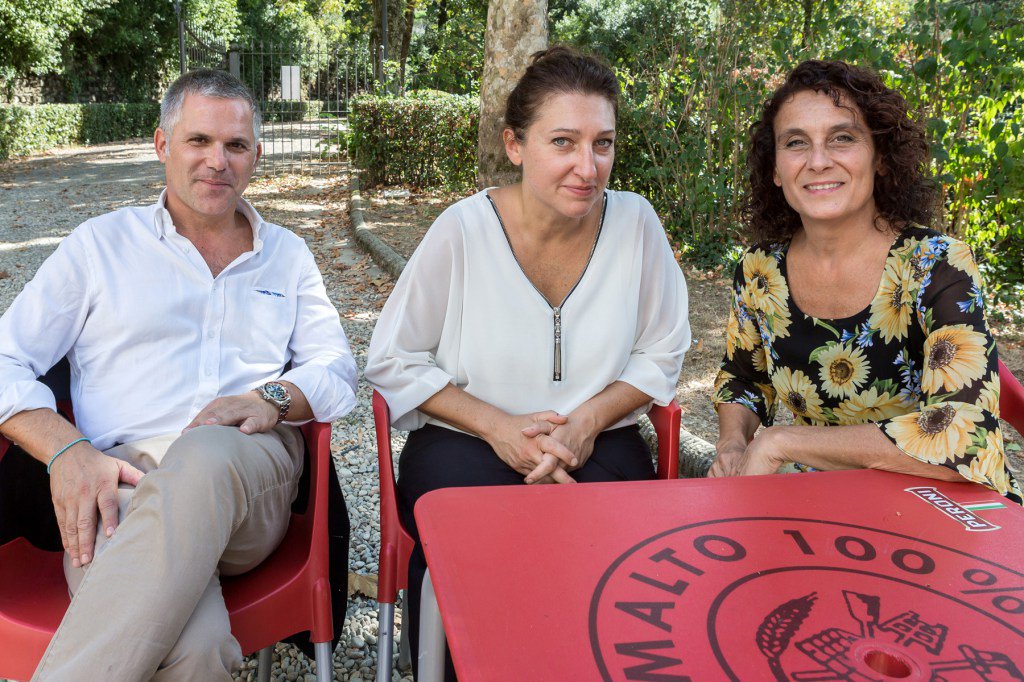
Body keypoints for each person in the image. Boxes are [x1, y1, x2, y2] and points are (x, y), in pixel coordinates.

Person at [0, 69, 358, 679]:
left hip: (248, 473)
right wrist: (67, 453)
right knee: (191, 648)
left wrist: (275, 394)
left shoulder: (288, 255)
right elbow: (7, 356)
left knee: (206, 453)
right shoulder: (99, 247)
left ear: (256, 157)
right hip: (122, 485)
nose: (217, 161)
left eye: (235, 146)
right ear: (163, 144)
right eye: (198, 141)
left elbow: (338, 368)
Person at [365, 46, 690, 677]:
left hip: (600, 442)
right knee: (476, 556)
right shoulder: (463, 230)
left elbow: (663, 349)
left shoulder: (636, 225)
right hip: (466, 442)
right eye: (563, 141)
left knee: (613, 570)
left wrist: (589, 420)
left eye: (603, 143)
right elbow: (392, 357)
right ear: (516, 145)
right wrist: (498, 426)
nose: (587, 166)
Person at [710, 59, 1022, 504]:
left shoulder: (938, 266)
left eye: (842, 138)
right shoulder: (760, 270)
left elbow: (962, 435)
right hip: (817, 502)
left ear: (880, 158)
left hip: (946, 510)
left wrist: (782, 442)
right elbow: (743, 379)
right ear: (776, 169)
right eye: (796, 142)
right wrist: (733, 444)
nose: (818, 161)